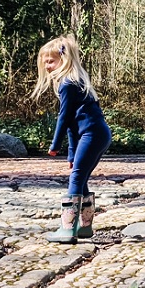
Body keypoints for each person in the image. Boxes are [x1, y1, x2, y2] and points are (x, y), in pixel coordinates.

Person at [31, 35, 112, 243]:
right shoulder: (73, 82)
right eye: (45, 62)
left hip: (93, 134)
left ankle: (67, 229)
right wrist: (71, 152)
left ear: (63, 60)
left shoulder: (68, 84)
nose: (47, 66)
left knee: (76, 177)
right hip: (97, 133)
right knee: (82, 177)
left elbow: (64, 118)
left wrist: (54, 145)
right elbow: (72, 126)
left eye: (51, 61)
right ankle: (84, 227)